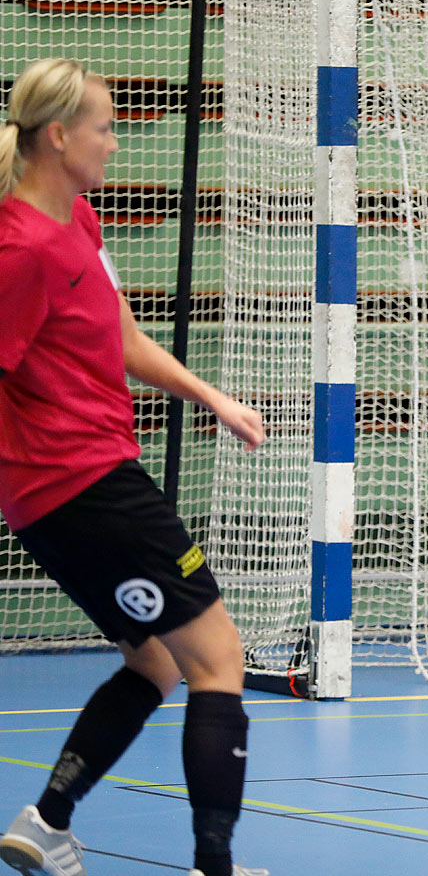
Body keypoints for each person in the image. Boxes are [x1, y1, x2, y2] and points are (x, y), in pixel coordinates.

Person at [0, 59, 268, 876]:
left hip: (64, 494)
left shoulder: (76, 221)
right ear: (58, 136)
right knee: (219, 656)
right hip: (85, 488)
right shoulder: (20, 249)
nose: (114, 143)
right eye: (105, 128)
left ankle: (46, 821)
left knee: (152, 660)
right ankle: (214, 867)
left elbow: (120, 341)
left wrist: (213, 398)